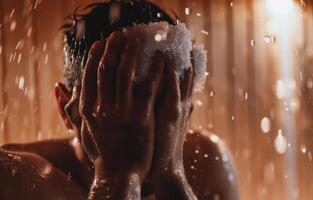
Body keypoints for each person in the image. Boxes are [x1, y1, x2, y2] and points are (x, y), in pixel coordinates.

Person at [0, 0, 239, 199]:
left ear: (183, 110)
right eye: (118, 101)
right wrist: (117, 177)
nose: (141, 122)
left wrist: (171, 175)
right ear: (66, 108)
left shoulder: (208, 164)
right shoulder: (19, 177)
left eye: (160, 102)